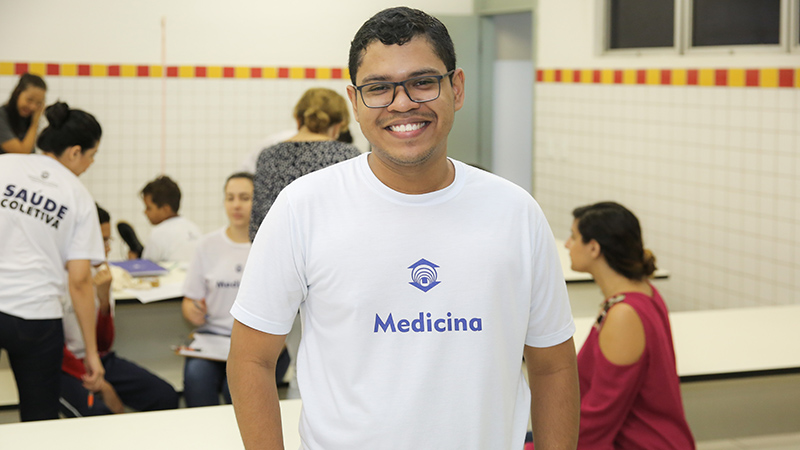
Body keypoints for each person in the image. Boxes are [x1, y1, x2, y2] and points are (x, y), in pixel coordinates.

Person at [228, 7, 579, 450]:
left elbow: (554, 367)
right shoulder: (304, 207)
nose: (402, 103)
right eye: (378, 88)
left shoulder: (516, 213)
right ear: (354, 103)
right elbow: (250, 359)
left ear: (457, 88)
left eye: (422, 82)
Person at [0, 101, 105, 421]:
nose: (89, 164)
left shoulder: (5, 165)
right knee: (39, 418)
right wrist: (91, 351)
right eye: (91, 156)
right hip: (37, 318)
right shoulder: (78, 196)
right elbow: (80, 280)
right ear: (74, 152)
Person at [565, 202, 695, 449]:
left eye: (573, 237)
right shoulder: (644, 293)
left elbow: (598, 417)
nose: (567, 245)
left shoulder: (624, 314)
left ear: (594, 248)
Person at [60, 205, 179, 417]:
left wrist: (103, 300)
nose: (107, 248)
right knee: (99, 413)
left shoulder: (100, 273)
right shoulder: (57, 277)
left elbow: (104, 344)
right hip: (65, 367)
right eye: (102, 241)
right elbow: (50, 347)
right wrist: (102, 385)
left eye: (108, 240)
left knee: (165, 395)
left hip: (99, 360)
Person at [248, 87, 361, 241]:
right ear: (339, 125)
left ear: (297, 119)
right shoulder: (348, 156)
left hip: (280, 254)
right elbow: (355, 217)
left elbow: (257, 225)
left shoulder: (269, 155)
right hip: (329, 255)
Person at [180, 172, 253, 407]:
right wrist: (192, 311)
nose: (236, 205)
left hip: (255, 343)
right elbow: (189, 300)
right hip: (212, 340)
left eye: (244, 197)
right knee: (196, 378)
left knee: (239, 387)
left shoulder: (268, 243)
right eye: (230, 198)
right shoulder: (207, 245)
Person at [138, 175, 201, 263]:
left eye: (149, 208)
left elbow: (145, 270)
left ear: (165, 209)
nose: (145, 212)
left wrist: (133, 261)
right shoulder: (194, 229)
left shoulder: (157, 234)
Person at [0, 73, 46, 154]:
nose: (33, 107)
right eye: (29, 100)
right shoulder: (2, 116)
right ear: (17, 93)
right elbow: (22, 152)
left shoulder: (27, 118)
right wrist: (35, 123)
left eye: (38, 103)